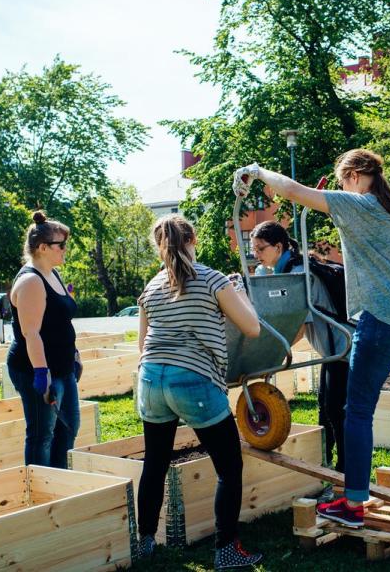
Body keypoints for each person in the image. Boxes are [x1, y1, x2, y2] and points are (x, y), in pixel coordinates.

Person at [234, 149, 390, 527]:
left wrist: (258, 170)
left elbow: (294, 191)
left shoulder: (358, 205)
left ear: (359, 175)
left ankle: (353, 504)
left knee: (357, 412)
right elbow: (308, 195)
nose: (343, 185)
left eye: (344, 179)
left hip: (384, 322)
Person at [136, 214, 264, 569]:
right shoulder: (213, 279)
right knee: (229, 466)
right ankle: (226, 550)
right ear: (193, 240)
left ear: (159, 246)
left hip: (150, 378)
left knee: (155, 462)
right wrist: (238, 290)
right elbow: (252, 327)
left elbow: (142, 344)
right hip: (192, 379)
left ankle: (145, 543)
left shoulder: (151, 286)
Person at [249, 221, 349, 475]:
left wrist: (270, 356)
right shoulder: (293, 269)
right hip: (333, 350)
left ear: (278, 246)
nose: (255, 255)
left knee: (336, 410)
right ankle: (324, 462)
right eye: (254, 249)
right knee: (325, 408)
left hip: (344, 348)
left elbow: (298, 329)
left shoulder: (298, 274)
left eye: (260, 249)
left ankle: (346, 469)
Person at [6, 210, 82, 469]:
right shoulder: (31, 281)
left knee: (69, 427)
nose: (65, 250)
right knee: (42, 436)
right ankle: (39, 495)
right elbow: (31, 333)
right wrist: (42, 373)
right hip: (36, 369)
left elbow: (60, 323)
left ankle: (59, 482)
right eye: (60, 245)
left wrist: (74, 355)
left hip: (63, 368)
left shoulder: (53, 273)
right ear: (42, 247)